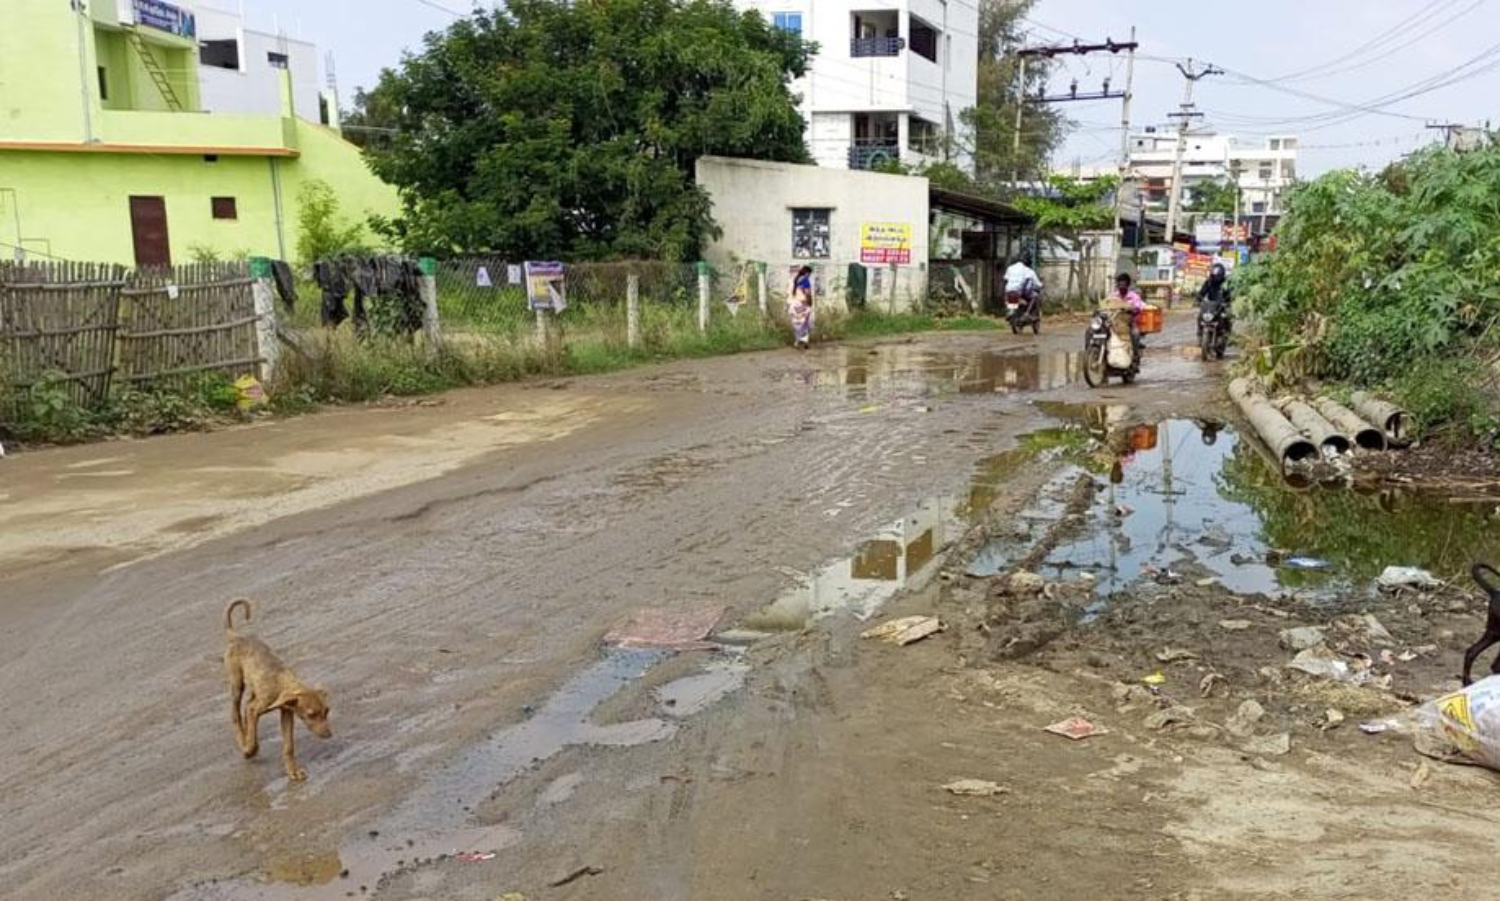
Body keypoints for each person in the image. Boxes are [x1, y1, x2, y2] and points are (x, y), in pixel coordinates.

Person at [1113, 272, 1146, 360]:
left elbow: (1139, 306)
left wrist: (1133, 309)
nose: (1121, 287)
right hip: (1115, 322)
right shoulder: (1114, 295)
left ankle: (1135, 354)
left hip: (1129, 322)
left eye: (1123, 285)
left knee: (1135, 334)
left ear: (1127, 285)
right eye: (1119, 285)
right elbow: (1107, 304)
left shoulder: (1134, 296)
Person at [1197, 263, 1233, 338]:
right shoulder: (1209, 282)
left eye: (1219, 275)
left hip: (1222, 305)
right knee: (1200, 316)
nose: (1217, 277)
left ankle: (1226, 332)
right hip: (1210, 306)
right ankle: (1200, 332)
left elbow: (1230, 293)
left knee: (1227, 316)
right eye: (1215, 275)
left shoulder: (1226, 283)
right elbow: (1202, 292)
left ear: (1222, 274)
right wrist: (1199, 298)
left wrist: (1228, 301)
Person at [787, 265, 815, 350]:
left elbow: (790, 293)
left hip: (794, 305)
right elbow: (807, 293)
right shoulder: (805, 280)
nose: (809, 276)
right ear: (807, 273)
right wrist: (810, 302)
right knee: (805, 324)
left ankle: (797, 341)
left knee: (797, 323)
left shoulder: (795, 279)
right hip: (803, 304)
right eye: (809, 274)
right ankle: (805, 342)